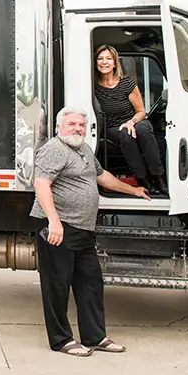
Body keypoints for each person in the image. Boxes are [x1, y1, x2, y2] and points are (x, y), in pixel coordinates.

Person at [30, 106, 150, 357]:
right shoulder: (55, 149)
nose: (77, 128)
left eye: (81, 125)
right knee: (58, 286)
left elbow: (102, 176)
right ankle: (61, 340)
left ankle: (94, 337)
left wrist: (133, 190)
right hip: (59, 228)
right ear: (59, 126)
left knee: (90, 284)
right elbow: (41, 184)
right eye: (72, 124)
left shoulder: (82, 149)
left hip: (83, 229)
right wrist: (54, 221)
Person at [93, 45, 167, 196]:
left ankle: (158, 177)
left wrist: (131, 122)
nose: (104, 62)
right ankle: (142, 179)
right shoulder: (93, 86)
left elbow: (141, 111)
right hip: (113, 127)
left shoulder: (127, 83)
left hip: (135, 120)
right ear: (95, 62)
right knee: (126, 135)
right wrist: (126, 126)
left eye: (108, 58)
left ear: (115, 63)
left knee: (144, 130)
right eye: (100, 58)